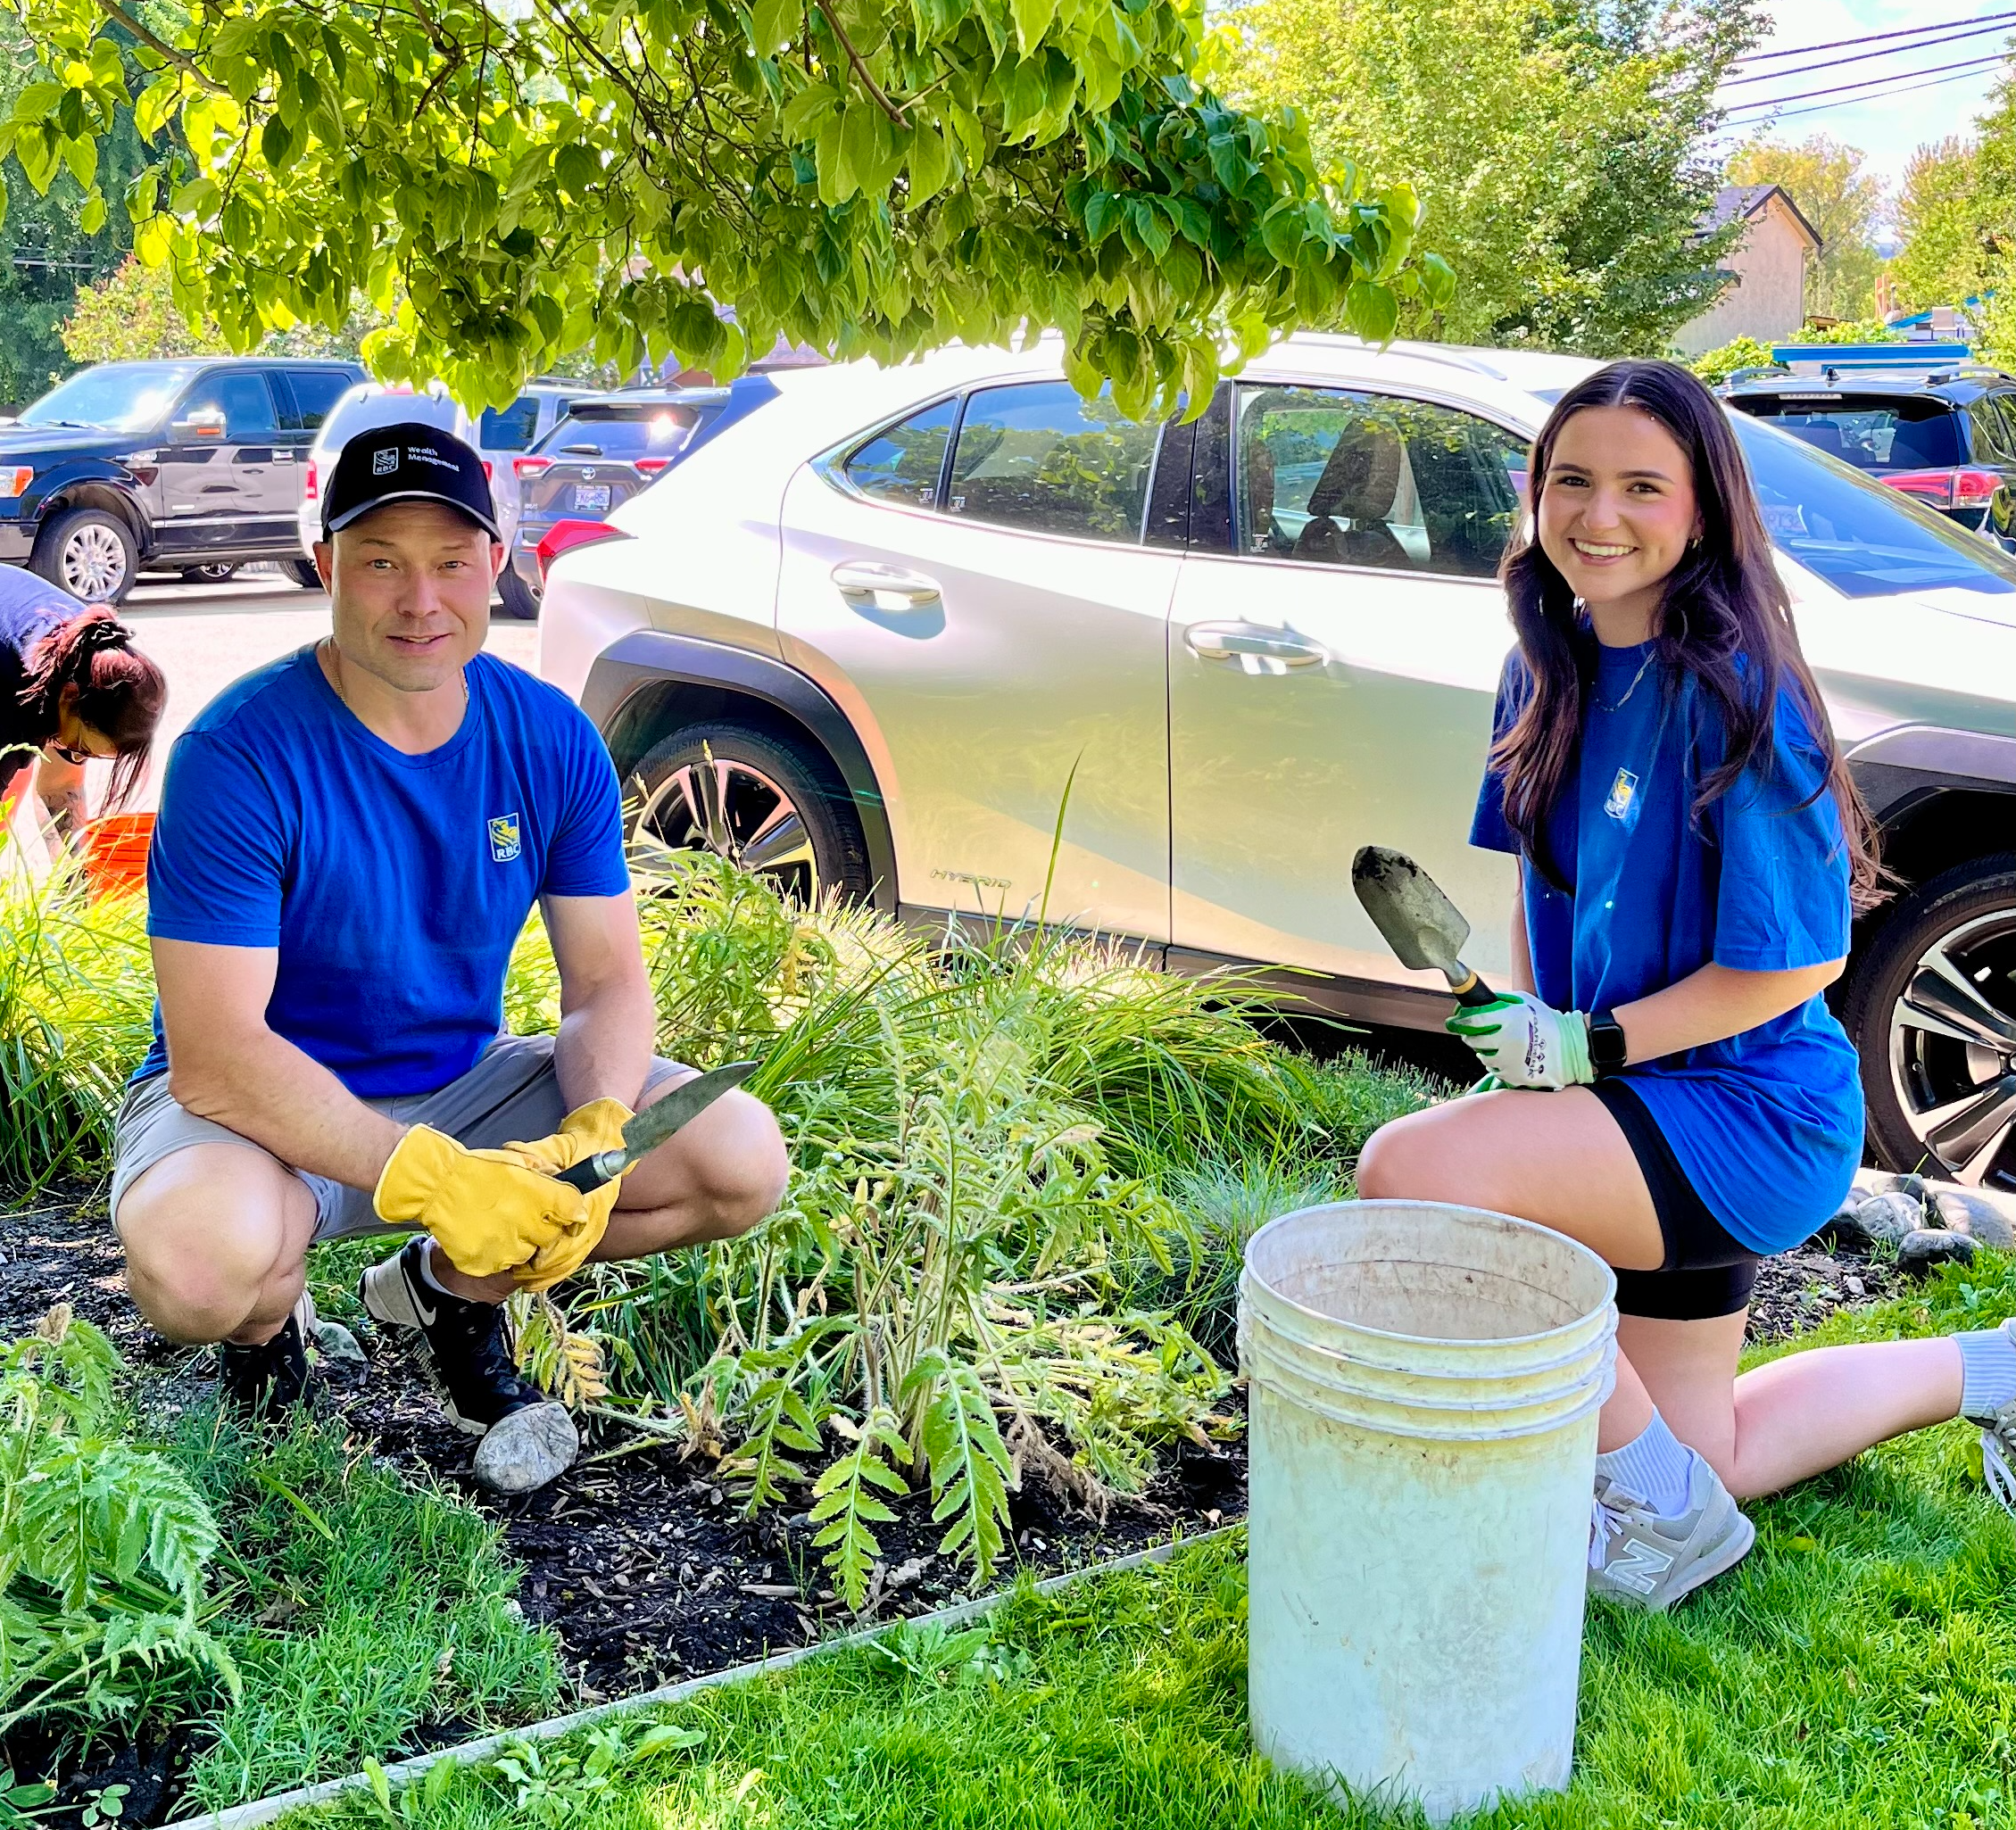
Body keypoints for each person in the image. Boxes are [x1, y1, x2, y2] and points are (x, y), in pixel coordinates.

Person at [1356, 360, 2016, 1611]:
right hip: (1637, 1101)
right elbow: (1533, 874)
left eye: (1639, 487)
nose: (1596, 515)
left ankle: (1659, 1529)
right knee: (1703, 1446)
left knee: (1410, 1172)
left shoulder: (1734, 696)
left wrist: (1582, 1051)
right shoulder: (1542, 662)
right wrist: (1525, 1018)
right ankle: (1993, 1369)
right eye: (1570, 480)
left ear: (1703, 508)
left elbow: (1799, 962)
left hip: (1745, 1113)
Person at [110, 421, 789, 1494]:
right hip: (256, 1121)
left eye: (450, 561)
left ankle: (444, 1291)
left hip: (459, 1090)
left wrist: (594, 1128)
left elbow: (606, 981)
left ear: (497, 563)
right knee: (204, 1263)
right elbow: (215, 1055)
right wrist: (427, 1178)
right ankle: (265, 1330)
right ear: (325, 564)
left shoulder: (549, 737)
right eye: (380, 561)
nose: (420, 600)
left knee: (735, 1153)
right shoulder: (238, 754)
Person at [0, 568, 166, 848]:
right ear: (69, 696)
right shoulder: (13, 698)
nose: (71, 752)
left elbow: (60, 787)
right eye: (80, 748)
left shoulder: (90, 663)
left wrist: (76, 885)